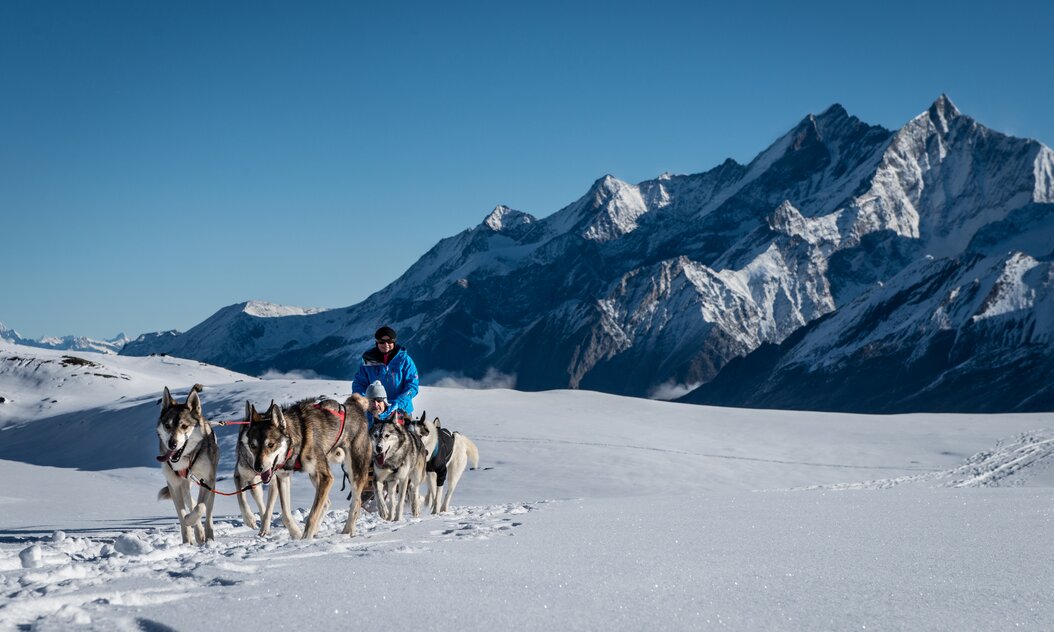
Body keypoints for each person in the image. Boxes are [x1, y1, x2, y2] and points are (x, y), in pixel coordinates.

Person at [352, 326, 419, 429]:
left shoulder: (405, 360)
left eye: (389, 341)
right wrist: (365, 401)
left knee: (408, 442)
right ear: (377, 342)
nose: (386, 345)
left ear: (394, 342)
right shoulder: (368, 361)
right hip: (374, 411)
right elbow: (359, 384)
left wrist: (397, 403)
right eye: (382, 342)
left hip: (401, 411)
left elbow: (412, 386)